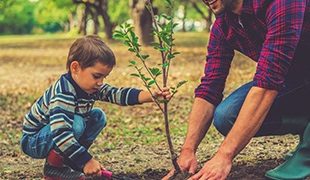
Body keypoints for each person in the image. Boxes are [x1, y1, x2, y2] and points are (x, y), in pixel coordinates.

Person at [164, 0, 310, 179]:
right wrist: (188, 150)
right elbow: (210, 87)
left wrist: (224, 156)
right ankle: (306, 125)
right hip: (297, 79)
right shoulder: (225, 24)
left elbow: (267, 84)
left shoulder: (282, 2)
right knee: (227, 115)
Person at [20, 35, 171, 179]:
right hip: (34, 141)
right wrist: (86, 160)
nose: (100, 82)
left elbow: (117, 94)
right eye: (97, 76)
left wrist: (150, 96)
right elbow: (61, 132)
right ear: (75, 68)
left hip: (56, 135)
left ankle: (70, 160)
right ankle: (55, 168)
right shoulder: (64, 93)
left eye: (104, 77)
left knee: (98, 116)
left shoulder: (90, 86)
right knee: (77, 123)